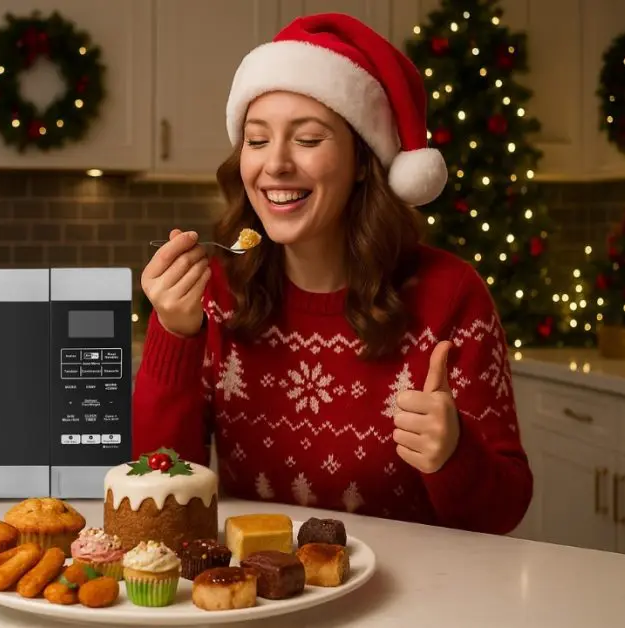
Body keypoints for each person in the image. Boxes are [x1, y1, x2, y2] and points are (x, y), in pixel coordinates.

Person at [132, 13, 532, 535]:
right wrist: (174, 335)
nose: (274, 164)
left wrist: (453, 454)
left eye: (308, 139)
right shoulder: (218, 293)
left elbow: (504, 512)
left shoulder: (451, 295)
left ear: (363, 162)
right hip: (262, 597)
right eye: (256, 140)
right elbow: (163, 495)